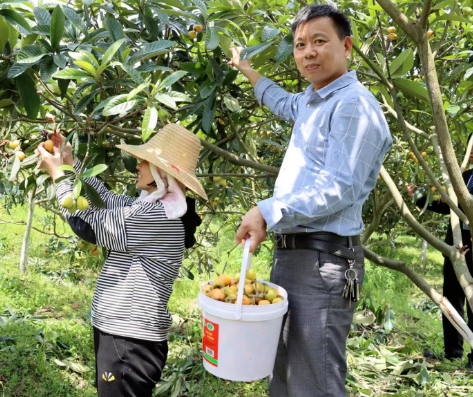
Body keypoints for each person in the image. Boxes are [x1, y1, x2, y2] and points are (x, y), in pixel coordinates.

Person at [230, 4, 392, 397]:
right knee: (284, 374)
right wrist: (248, 70)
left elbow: (341, 187)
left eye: (320, 41)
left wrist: (267, 210)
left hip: (324, 264)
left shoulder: (353, 105)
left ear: (346, 45)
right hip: (298, 257)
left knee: (313, 381)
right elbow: (283, 103)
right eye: (300, 44)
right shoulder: (314, 101)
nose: (308, 52)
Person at [36, 124, 207, 397]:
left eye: (145, 161)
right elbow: (104, 201)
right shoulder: (154, 208)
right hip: (124, 335)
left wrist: (58, 177)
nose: (137, 165)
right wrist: (70, 163)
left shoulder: (159, 218)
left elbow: (87, 224)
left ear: (162, 172)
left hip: (129, 340)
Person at [407, 141, 473, 370]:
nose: (472, 151)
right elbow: (448, 207)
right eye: (470, 146)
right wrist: (420, 198)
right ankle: (452, 353)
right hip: (456, 248)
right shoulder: (465, 177)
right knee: (452, 301)